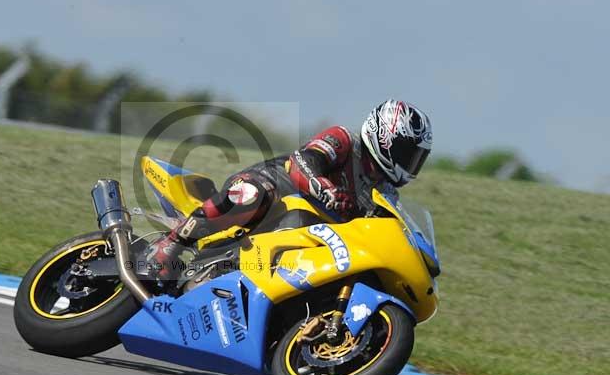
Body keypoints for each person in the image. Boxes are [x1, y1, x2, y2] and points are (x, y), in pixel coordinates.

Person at [146, 99, 433, 280]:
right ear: (385, 138)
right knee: (253, 195)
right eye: (407, 153)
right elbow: (302, 161)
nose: (411, 164)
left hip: (303, 233)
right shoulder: (345, 140)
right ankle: (169, 245)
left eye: (417, 158)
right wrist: (324, 187)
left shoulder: (383, 193)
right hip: (275, 188)